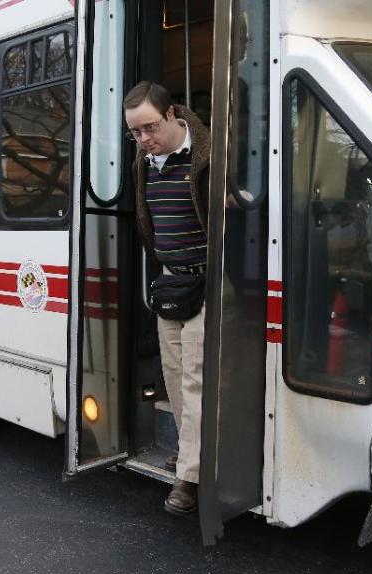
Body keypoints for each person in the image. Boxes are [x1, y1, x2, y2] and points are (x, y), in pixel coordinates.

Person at [124, 81, 210, 516]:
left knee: (196, 380)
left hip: (207, 284)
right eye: (135, 133)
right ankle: (189, 452)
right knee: (174, 379)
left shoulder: (208, 156)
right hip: (170, 282)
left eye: (150, 128)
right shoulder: (145, 161)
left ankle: (189, 477)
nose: (144, 140)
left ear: (173, 114)